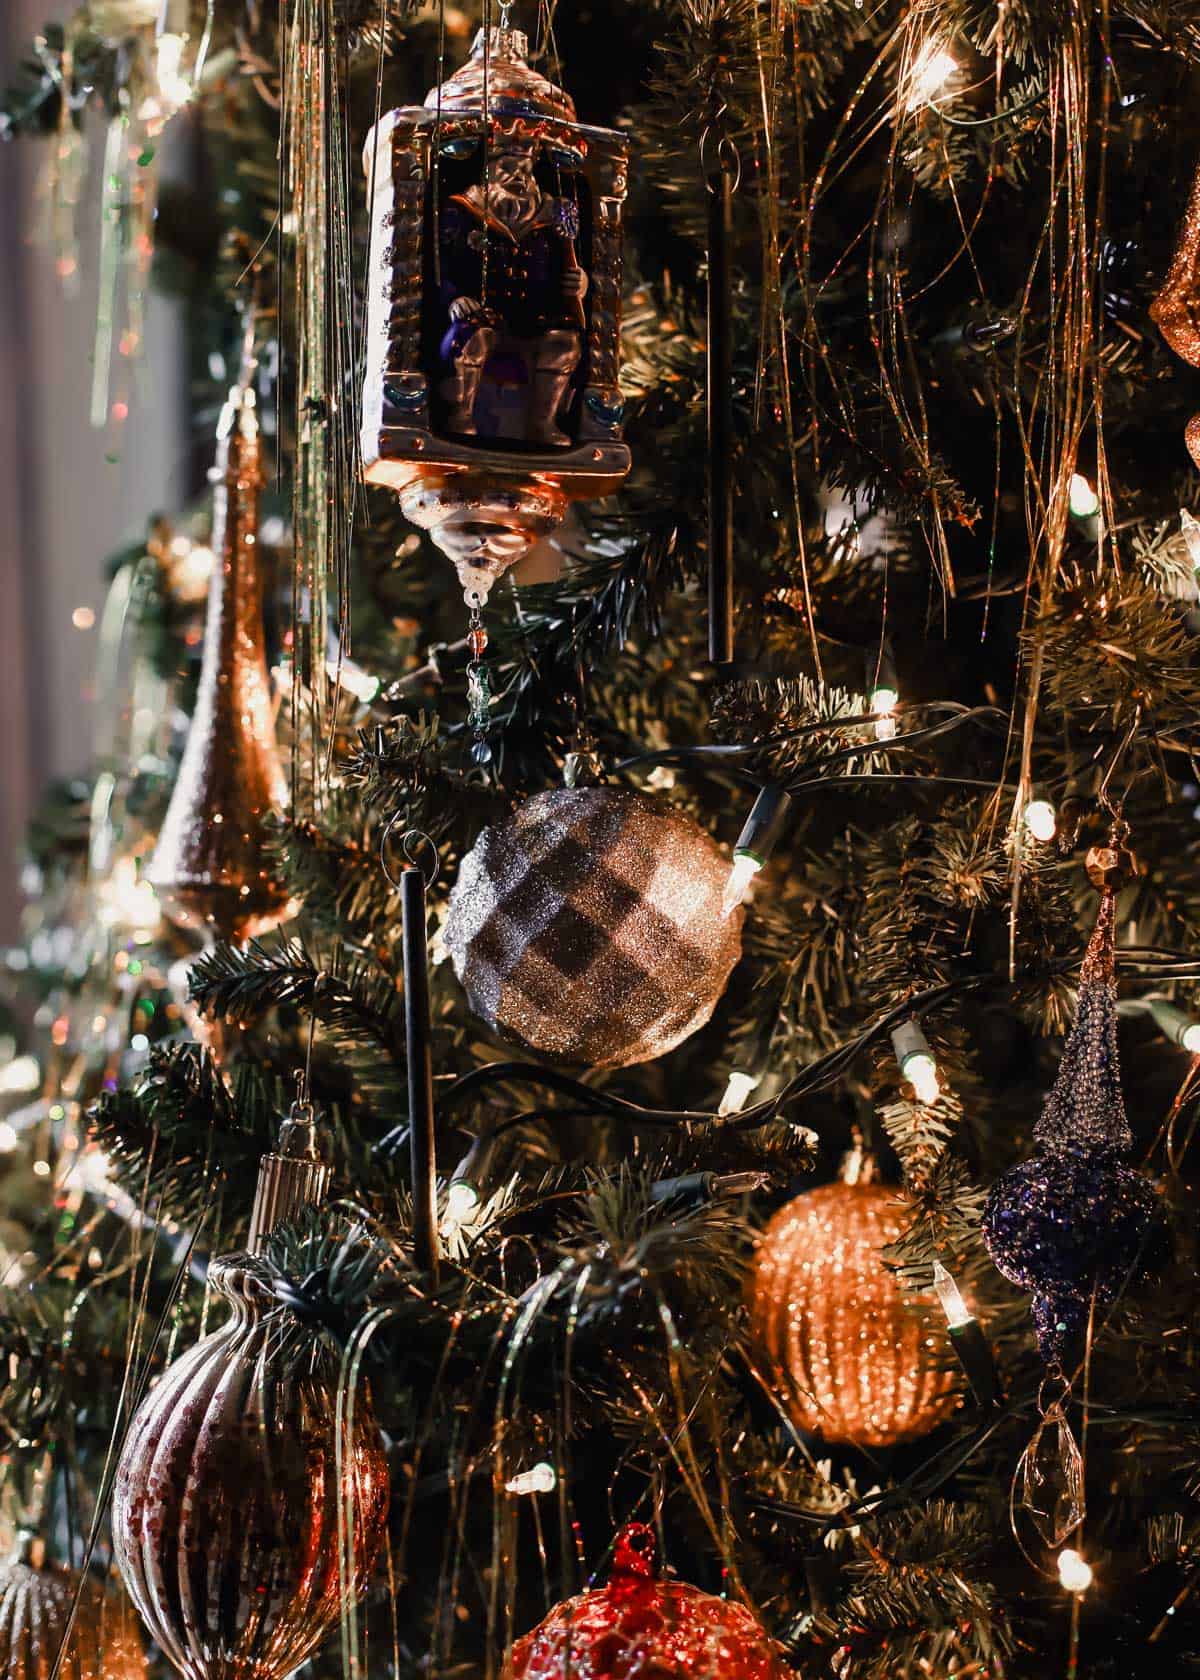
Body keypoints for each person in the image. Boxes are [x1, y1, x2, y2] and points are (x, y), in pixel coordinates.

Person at [438, 136, 586, 447]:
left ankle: (543, 424)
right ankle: (461, 416)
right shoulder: (462, 210)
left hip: (534, 319)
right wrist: (454, 297)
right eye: (508, 167)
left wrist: (580, 282)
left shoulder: (552, 215)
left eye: (525, 169)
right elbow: (441, 266)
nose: (518, 176)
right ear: (489, 169)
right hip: (484, 314)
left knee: (565, 340)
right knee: (471, 335)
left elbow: (568, 266)